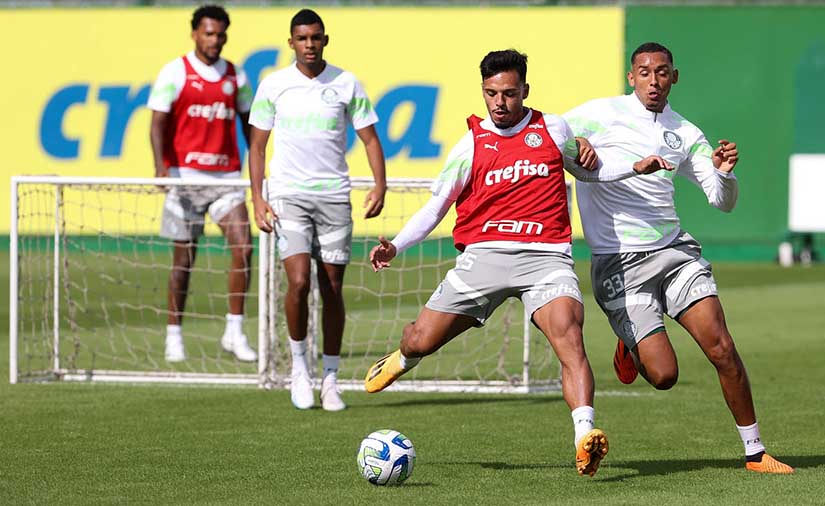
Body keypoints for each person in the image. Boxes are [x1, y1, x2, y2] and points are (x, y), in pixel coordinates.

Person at [364, 49, 669, 477]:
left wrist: (632, 168)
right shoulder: (471, 143)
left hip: (545, 258)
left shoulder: (552, 128)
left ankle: (585, 435)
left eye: (508, 93)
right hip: (484, 256)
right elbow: (437, 207)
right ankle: (403, 358)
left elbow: (587, 170)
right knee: (420, 340)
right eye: (491, 94)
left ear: (525, 90)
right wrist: (395, 246)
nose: (499, 103)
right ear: (484, 92)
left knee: (570, 336)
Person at [563, 42, 794, 474]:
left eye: (662, 72)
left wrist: (724, 173)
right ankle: (631, 348)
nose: (654, 81)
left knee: (722, 347)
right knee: (664, 375)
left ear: (674, 76)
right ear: (631, 77)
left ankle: (755, 451)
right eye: (645, 73)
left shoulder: (684, 133)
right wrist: (575, 141)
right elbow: (551, 134)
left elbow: (721, 201)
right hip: (619, 263)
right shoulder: (600, 113)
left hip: (674, 252)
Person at [249, 9, 387, 412]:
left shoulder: (345, 83)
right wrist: (258, 197)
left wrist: (380, 184)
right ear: (290, 42)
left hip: (333, 199)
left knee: (332, 289)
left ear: (325, 40)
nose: (309, 44)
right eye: (302, 38)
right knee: (298, 283)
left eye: (316, 37)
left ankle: (329, 378)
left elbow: (371, 139)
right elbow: (257, 146)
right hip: (289, 196)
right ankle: (298, 370)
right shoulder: (274, 85)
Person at [148, 4, 257, 364]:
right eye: (209, 33)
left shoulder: (235, 76)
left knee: (243, 248)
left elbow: (249, 125)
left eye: (221, 34)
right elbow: (158, 124)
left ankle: (234, 332)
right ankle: (174, 335)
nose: (215, 40)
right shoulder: (175, 72)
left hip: (226, 178)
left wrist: (258, 167)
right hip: (185, 177)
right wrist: (162, 168)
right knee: (184, 260)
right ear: (195, 33)